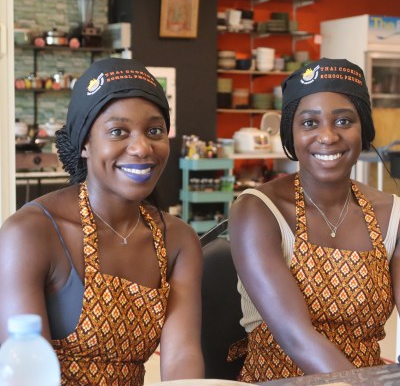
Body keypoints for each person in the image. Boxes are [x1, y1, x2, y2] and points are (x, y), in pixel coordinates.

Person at [0, 57, 204, 385]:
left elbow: (182, 357)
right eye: (118, 131)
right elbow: (26, 373)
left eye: (154, 130)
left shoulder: (178, 240)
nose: (141, 147)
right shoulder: (31, 233)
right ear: (84, 143)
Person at [227, 57, 400, 382]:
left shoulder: (393, 214)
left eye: (344, 121)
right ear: (290, 134)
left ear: (364, 129)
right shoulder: (258, 210)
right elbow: (295, 335)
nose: (328, 136)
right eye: (309, 123)